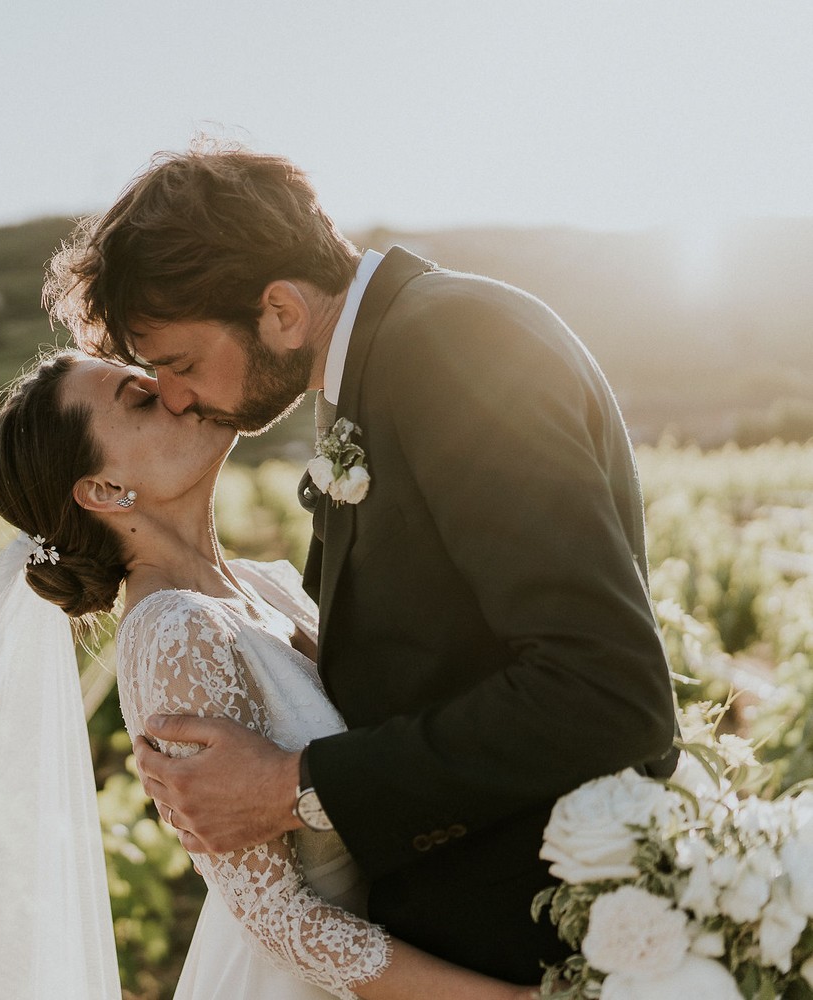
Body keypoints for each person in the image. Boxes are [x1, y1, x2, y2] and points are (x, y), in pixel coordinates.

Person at [42, 143, 681, 983]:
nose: (177, 398)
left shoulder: (447, 349)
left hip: (536, 945)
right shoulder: (387, 364)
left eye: (181, 364)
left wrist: (292, 785)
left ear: (278, 311)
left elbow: (606, 691)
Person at [0, 348, 534, 1000]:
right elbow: (280, 919)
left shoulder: (267, 583)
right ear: (103, 490)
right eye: (138, 397)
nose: (174, 392)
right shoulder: (172, 634)